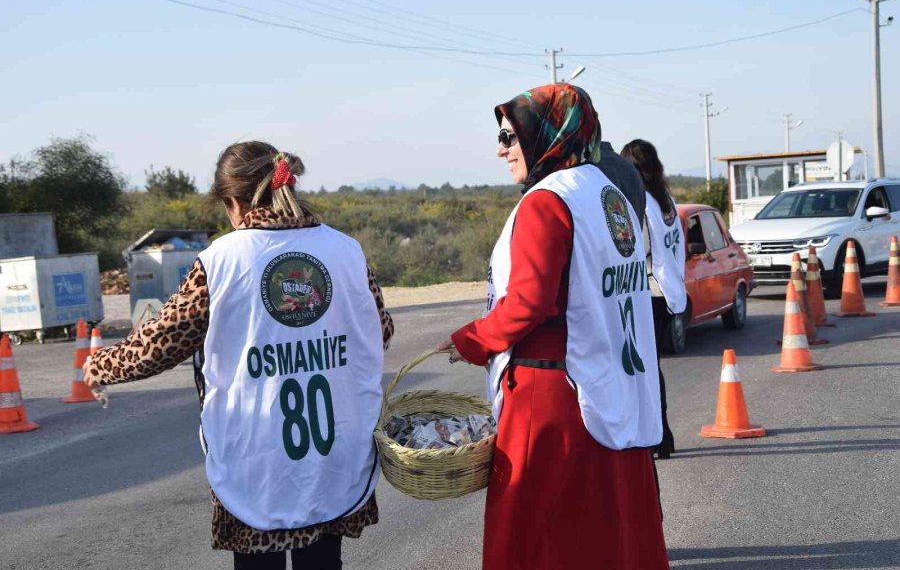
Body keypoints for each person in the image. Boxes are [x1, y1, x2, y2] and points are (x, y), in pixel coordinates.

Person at [83, 141, 394, 570]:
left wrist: (100, 365)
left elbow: (161, 344)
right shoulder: (346, 250)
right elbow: (381, 330)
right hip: (331, 457)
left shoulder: (221, 260)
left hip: (257, 458)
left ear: (234, 202)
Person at [438, 84, 669, 570]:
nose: (501, 148)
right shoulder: (610, 195)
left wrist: (471, 340)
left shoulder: (548, 202)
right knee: (610, 534)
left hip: (554, 398)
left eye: (510, 134)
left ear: (546, 135)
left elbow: (528, 303)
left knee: (542, 537)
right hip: (609, 383)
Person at [621, 139, 687, 460]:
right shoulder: (667, 201)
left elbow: (641, 250)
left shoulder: (642, 203)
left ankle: (657, 435)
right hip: (668, 292)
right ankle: (662, 435)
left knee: (644, 368)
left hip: (650, 291)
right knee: (652, 366)